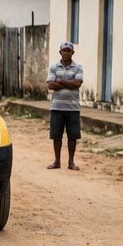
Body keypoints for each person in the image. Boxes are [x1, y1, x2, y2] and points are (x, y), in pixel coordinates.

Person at [47, 41, 84, 170]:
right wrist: (69, 83)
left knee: (72, 136)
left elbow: (78, 83)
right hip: (57, 107)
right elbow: (51, 85)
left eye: (69, 50)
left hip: (73, 108)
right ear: (60, 52)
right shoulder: (53, 67)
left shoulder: (78, 67)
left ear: (72, 53)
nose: (66, 53)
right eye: (64, 50)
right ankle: (57, 161)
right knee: (56, 136)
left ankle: (71, 162)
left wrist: (60, 81)